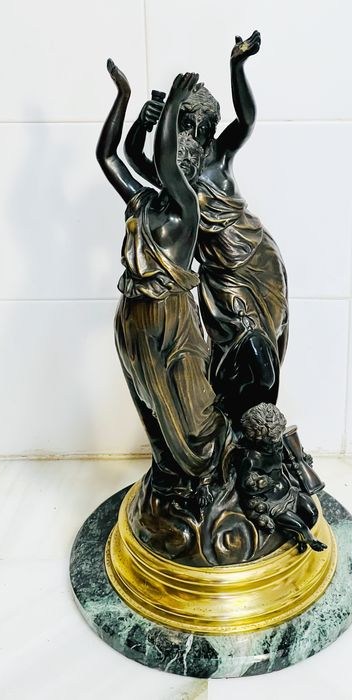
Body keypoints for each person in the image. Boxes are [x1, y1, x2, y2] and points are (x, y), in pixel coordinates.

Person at [125, 31, 289, 423]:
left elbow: (247, 119)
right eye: (185, 124)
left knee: (269, 342)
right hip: (220, 277)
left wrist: (237, 66)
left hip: (259, 259)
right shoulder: (173, 175)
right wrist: (143, 124)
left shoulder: (220, 154)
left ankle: (259, 427)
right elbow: (131, 156)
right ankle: (234, 424)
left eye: (203, 125)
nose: (195, 134)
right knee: (244, 352)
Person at [96, 62, 228, 501]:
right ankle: (169, 478)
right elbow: (108, 157)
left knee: (191, 407)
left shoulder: (188, 209)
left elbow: (168, 162)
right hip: (132, 316)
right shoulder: (143, 202)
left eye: (188, 164)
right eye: (175, 159)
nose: (180, 166)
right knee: (148, 401)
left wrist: (172, 108)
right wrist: (125, 100)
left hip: (172, 321)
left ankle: (205, 474)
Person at [236, 403, 327, 553]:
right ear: (256, 440)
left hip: (290, 491)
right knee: (299, 525)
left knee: (312, 512)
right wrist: (261, 482)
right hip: (273, 503)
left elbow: (288, 460)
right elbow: (246, 485)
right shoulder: (251, 459)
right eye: (269, 444)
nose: (274, 447)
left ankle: (298, 537)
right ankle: (307, 538)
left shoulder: (277, 443)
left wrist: (301, 459)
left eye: (276, 441)